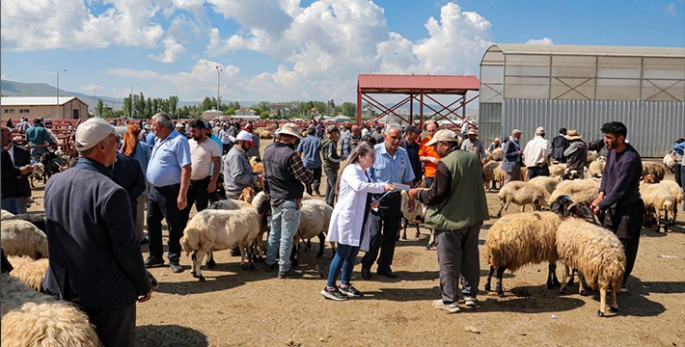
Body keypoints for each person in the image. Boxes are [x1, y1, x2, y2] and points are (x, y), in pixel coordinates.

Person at [42, 118, 151, 346]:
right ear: (102, 146)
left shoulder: (54, 182)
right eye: (115, 141)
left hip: (61, 290)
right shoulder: (111, 191)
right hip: (106, 296)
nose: (119, 146)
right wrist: (143, 284)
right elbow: (127, 248)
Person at [408, 129, 488, 313]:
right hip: (473, 218)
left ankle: (450, 300)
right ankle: (470, 296)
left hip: (451, 220)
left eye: (436, 146)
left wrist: (418, 193)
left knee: (448, 261)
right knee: (470, 259)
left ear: (445, 144)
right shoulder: (473, 160)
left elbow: (437, 195)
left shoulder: (446, 164)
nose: (435, 150)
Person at [321, 142, 393, 301]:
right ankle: (329, 287)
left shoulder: (363, 171)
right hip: (348, 218)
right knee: (342, 252)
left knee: (353, 253)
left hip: (359, 217)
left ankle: (345, 283)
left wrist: (372, 201)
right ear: (361, 157)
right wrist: (382, 186)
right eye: (371, 156)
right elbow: (359, 186)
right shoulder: (351, 170)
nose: (374, 158)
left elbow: (361, 193)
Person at [590, 122, 643, 291]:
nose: (605, 140)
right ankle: (606, 277)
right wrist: (601, 194)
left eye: (609, 137)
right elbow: (606, 174)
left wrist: (601, 205)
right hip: (612, 205)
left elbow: (620, 190)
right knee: (608, 242)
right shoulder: (611, 152)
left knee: (624, 245)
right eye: (605, 136)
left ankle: (620, 282)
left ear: (621, 138)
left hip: (628, 207)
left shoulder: (629, 159)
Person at [361, 124, 415, 280]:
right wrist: (370, 199)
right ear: (385, 136)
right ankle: (366, 264)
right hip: (376, 200)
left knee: (391, 235)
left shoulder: (403, 154)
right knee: (374, 235)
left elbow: (409, 178)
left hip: (394, 200)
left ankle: (384, 265)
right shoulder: (374, 152)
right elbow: (365, 176)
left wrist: (411, 200)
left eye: (399, 138)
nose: (397, 141)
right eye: (393, 137)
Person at [263, 123, 313, 279]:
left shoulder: (268, 150)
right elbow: (304, 176)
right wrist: (310, 176)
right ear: (292, 138)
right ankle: (284, 267)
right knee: (287, 236)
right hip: (289, 198)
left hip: (275, 197)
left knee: (274, 233)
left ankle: (270, 262)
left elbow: (265, 177)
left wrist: (268, 193)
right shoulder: (291, 155)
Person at [144, 113, 192, 274]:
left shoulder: (179, 141)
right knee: (152, 222)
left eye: (153, 125)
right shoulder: (159, 140)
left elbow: (186, 168)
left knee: (174, 225)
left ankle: (174, 258)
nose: (151, 128)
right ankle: (156, 255)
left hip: (171, 191)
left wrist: (182, 194)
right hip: (155, 191)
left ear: (162, 126)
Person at [181, 120, 222, 226]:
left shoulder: (213, 145)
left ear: (203, 130)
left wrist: (213, 182)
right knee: (183, 212)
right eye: (190, 131)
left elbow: (217, 164)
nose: (192, 134)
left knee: (202, 213)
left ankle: (202, 237)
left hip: (203, 184)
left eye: (194, 131)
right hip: (188, 183)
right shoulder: (188, 143)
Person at [121, 124, 152, 243]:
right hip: (140, 185)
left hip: (125, 185)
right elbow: (149, 164)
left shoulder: (123, 147)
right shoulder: (144, 147)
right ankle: (139, 237)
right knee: (139, 213)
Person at [1, 126, 33, 214]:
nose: (10, 138)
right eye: (7, 135)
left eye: (10, 135)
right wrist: (19, 171)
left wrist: (25, 171)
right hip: (5, 193)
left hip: (19, 191)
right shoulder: (2, 152)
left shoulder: (23, 151)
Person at [223, 130, 259, 199]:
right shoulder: (236, 155)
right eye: (248, 144)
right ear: (241, 142)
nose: (250, 146)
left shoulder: (241, 153)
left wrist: (257, 174)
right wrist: (256, 178)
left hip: (239, 191)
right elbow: (238, 177)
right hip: (236, 194)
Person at [297, 126, 322, 196]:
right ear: (314, 132)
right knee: (317, 176)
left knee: (307, 177)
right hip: (316, 162)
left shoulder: (303, 141)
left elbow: (299, 152)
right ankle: (316, 186)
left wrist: (299, 161)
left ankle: (309, 190)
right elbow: (321, 149)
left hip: (306, 163)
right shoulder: (318, 140)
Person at [321, 125, 341, 206]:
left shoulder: (325, 140)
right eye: (336, 133)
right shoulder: (330, 143)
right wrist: (339, 159)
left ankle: (327, 202)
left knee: (329, 185)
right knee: (334, 186)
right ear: (332, 132)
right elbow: (329, 157)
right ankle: (330, 204)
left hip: (327, 166)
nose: (337, 135)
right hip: (330, 167)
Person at [419, 121, 441, 188]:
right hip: (430, 174)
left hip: (442, 172)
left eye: (433, 131)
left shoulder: (444, 139)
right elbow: (420, 157)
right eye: (429, 131)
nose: (431, 133)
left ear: (438, 129)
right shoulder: (425, 141)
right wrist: (430, 158)